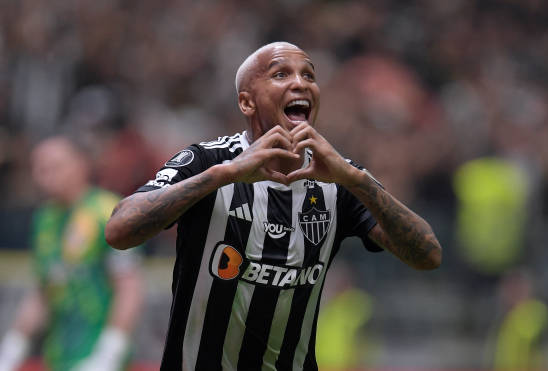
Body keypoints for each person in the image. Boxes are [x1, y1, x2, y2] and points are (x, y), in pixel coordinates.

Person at [105, 42, 442, 370]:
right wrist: (222, 176)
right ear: (247, 102)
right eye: (281, 74)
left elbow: (428, 256)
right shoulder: (208, 161)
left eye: (308, 75)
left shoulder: (337, 178)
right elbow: (119, 230)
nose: (300, 82)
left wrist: (357, 180)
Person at [0, 136, 143, 371]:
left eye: (54, 167)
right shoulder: (44, 219)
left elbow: (129, 288)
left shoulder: (108, 211)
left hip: (98, 356)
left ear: (81, 165)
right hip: (58, 356)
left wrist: (109, 353)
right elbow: (44, 290)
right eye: (38, 168)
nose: (43, 176)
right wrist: (12, 349)